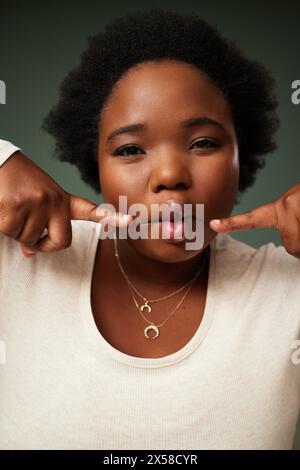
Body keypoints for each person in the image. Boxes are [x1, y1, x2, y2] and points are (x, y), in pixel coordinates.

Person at [0, 8, 299, 450]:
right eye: (130, 149)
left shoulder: (287, 293)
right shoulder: (21, 256)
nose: (168, 175)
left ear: (241, 155)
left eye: (203, 143)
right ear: (96, 165)